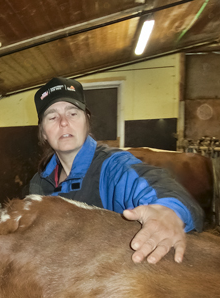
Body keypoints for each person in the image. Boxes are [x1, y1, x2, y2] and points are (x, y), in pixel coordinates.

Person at [29, 77, 204, 265]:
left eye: (73, 113)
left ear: (86, 122)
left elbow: (148, 181)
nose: (63, 122)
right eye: (52, 117)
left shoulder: (112, 167)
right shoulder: (38, 183)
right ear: (43, 132)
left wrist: (168, 210)